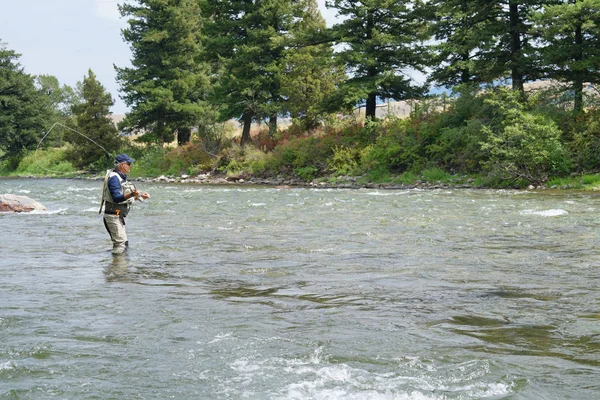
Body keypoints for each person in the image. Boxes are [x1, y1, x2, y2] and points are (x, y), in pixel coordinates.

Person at [99, 154, 150, 254]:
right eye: (129, 164)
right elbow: (117, 198)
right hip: (113, 216)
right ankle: (117, 268)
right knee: (121, 246)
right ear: (122, 165)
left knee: (123, 245)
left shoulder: (120, 177)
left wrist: (139, 196)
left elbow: (124, 197)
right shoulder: (114, 178)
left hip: (117, 216)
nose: (130, 166)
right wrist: (131, 194)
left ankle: (117, 267)